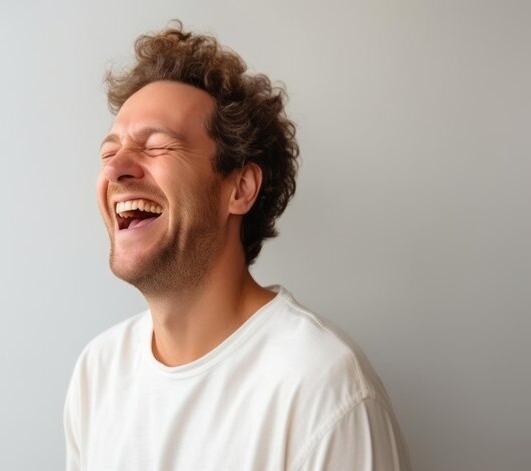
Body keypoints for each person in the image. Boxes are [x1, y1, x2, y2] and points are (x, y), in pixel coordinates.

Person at [64, 22, 412, 470]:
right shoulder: (98, 373)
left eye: (157, 146)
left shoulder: (324, 390)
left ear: (240, 188)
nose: (117, 170)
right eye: (109, 153)